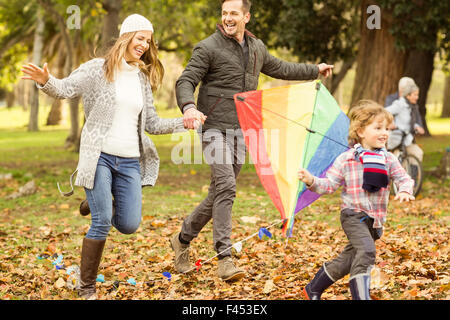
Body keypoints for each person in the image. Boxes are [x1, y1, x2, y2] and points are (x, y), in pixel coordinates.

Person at [21, 14, 202, 299]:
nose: (143, 45)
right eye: (139, 38)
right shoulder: (97, 69)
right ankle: (87, 287)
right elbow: (66, 89)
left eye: (148, 41)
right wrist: (46, 81)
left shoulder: (141, 79)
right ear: (126, 36)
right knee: (103, 220)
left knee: (129, 224)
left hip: (130, 162)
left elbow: (152, 123)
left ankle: (93, 200)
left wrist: (185, 121)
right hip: (100, 158)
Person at [171, 0, 334, 282]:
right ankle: (224, 258)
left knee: (219, 192)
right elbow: (185, 81)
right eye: (224, 13)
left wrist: (314, 70)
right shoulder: (207, 47)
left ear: (246, 16)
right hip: (212, 127)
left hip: (242, 130)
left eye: (234, 13)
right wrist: (188, 107)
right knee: (226, 186)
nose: (228, 18)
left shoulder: (256, 48)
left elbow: (281, 68)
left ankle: (182, 239)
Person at [298, 100, 414, 300]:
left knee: (348, 259)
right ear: (360, 131)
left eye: (386, 128)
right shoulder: (347, 159)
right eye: (378, 128)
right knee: (367, 252)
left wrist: (404, 190)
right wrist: (311, 180)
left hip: (375, 221)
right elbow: (329, 184)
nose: (384, 132)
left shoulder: (388, 158)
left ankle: (313, 289)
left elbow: (404, 178)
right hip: (353, 215)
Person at [385, 82, 425, 161]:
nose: (417, 97)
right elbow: (384, 112)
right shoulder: (399, 104)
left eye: (417, 95)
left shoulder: (412, 107)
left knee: (418, 153)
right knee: (395, 160)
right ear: (408, 95)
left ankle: (413, 173)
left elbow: (409, 122)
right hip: (396, 139)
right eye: (415, 95)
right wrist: (390, 123)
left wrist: (417, 126)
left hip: (407, 139)